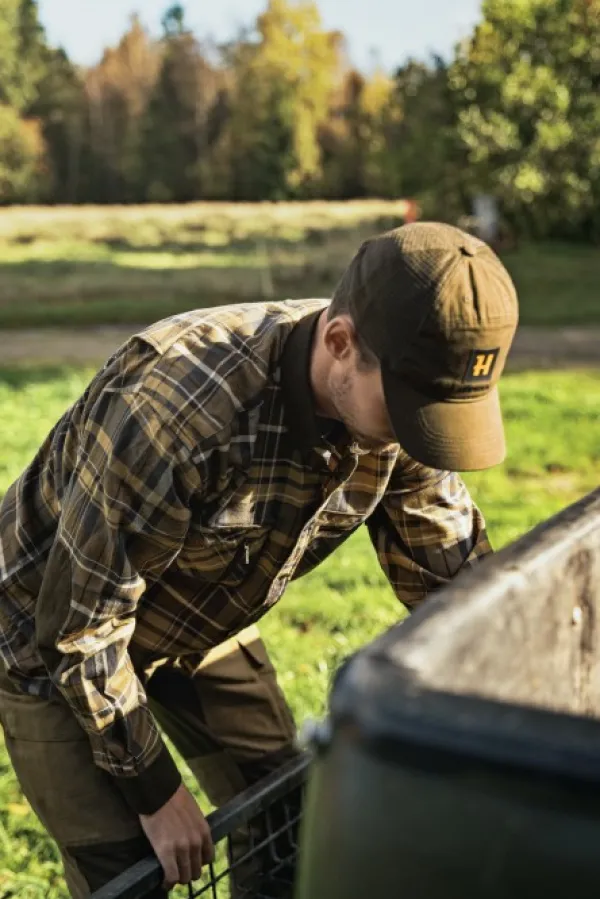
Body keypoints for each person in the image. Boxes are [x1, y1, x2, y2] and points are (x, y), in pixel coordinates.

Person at [0, 222, 518, 897]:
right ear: (340, 343)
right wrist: (155, 791)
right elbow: (80, 627)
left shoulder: (399, 405)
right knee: (129, 872)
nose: (421, 436)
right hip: (47, 640)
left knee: (284, 818)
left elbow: (455, 581)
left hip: (198, 606)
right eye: (411, 411)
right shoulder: (180, 409)